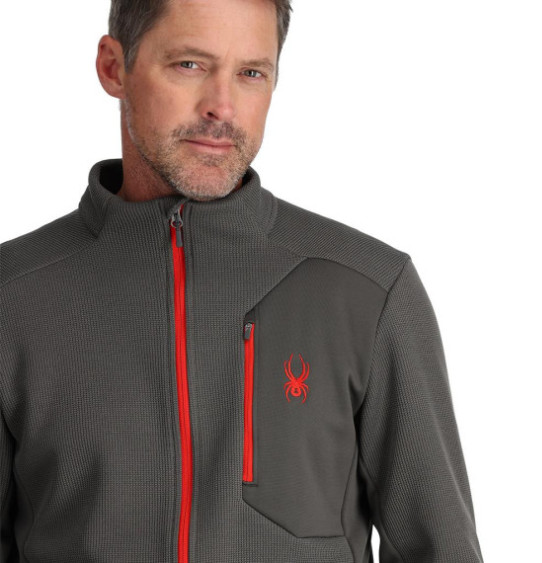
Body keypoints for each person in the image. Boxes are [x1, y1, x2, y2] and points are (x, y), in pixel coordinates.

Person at [0, 0, 485, 561]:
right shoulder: (14, 295)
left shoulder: (367, 289)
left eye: (251, 73)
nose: (222, 106)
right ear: (114, 67)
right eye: (190, 65)